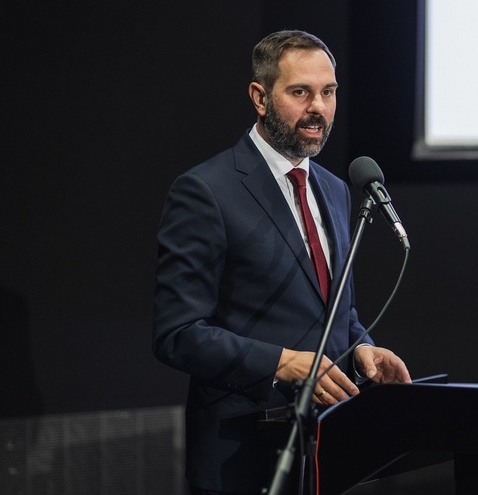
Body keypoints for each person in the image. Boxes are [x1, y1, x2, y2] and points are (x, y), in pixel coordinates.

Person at [153, 30, 411, 495]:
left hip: (327, 449)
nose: (318, 107)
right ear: (259, 96)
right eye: (301, 92)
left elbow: (335, 309)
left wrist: (362, 348)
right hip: (243, 456)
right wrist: (281, 362)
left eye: (328, 92)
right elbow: (177, 334)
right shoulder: (206, 191)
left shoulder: (333, 189)